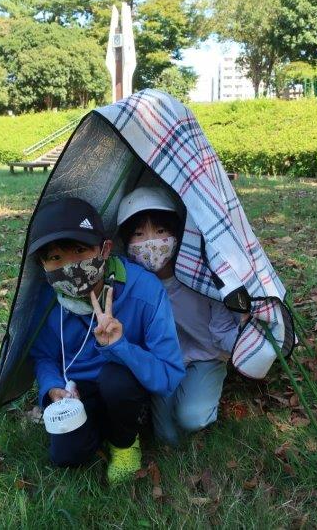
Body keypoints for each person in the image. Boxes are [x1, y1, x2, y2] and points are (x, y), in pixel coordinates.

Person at [27, 197, 184, 484]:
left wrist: (120, 346)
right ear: (43, 265)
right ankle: (104, 427)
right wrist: (52, 388)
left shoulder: (144, 290)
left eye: (79, 250)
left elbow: (169, 376)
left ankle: (125, 443)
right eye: (55, 258)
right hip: (77, 389)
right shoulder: (49, 300)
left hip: (124, 381)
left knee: (116, 381)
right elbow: (44, 356)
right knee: (67, 456)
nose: (70, 266)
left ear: (105, 249)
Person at [117, 187, 241, 447]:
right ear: (127, 244)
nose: (151, 243)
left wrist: (248, 340)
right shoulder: (134, 285)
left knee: (191, 418)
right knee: (167, 437)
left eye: (160, 232)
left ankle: (202, 392)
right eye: (139, 234)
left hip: (206, 356)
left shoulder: (201, 277)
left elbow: (221, 332)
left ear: (176, 233)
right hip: (164, 362)